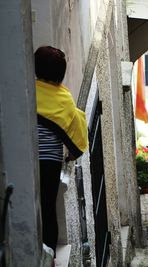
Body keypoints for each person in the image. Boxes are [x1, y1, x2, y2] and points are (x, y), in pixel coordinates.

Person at [35, 46, 89, 256]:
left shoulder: (29, 90)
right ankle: (51, 255)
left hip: (27, 158)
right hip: (50, 160)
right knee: (48, 207)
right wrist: (73, 154)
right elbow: (76, 125)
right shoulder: (64, 98)